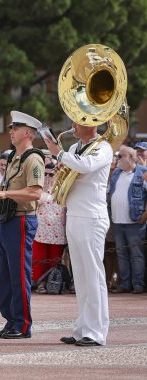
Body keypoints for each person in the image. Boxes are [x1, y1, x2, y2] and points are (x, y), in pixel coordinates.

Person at [44, 121, 112, 346]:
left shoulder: (103, 147)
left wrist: (58, 153)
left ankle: (96, 332)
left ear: (91, 124)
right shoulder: (74, 149)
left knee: (93, 275)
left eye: (78, 121)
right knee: (80, 277)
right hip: (74, 214)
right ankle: (82, 328)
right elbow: (70, 170)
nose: (72, 125)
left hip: (92, 216)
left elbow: (86, 166)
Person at [0, 111, 44, 340]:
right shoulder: (12, 157)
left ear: (28, 132)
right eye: (11, 127)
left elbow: (35, 193)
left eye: (16, 128)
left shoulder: (33, 158)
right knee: (5, 274)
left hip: (22, 219)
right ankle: (10, 320)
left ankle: (22, 325)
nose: (11, 131)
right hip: (8, 220)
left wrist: (5, 194)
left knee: (19, 274)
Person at [108, 146, 147, 294]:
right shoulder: (117, 173)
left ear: (130, 158)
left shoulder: (143, 172)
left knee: (136, 254)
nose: (117, 159)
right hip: (117, 221)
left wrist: (145, 214)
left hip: (135, 222)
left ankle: (138, 284)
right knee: (121, 254)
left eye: (120, 156)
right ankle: (125, 285)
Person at [33, 163, 67, 291]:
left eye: (51, 174)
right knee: (39, 259)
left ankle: (53, 283)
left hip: (57, 230)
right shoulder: (37, 188)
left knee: (54, 260)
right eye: (45, 174)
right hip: (40, 231)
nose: (47, 177)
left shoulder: (63, 190)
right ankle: (40, 284)